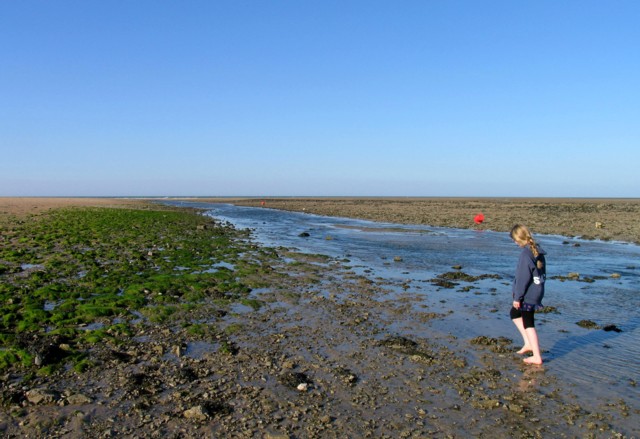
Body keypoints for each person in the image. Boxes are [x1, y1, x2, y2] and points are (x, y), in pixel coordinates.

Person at [509, 224, 546, 365]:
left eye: (514, 240)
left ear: (519, 239)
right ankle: (528, 343)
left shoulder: (526, 254)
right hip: (537, 291)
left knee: (529, 322)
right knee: (514, 314)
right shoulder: (537, 250)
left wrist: (518, 297)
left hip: (528, 294)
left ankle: (536, 356)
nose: (514, 242)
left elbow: (523, 278)